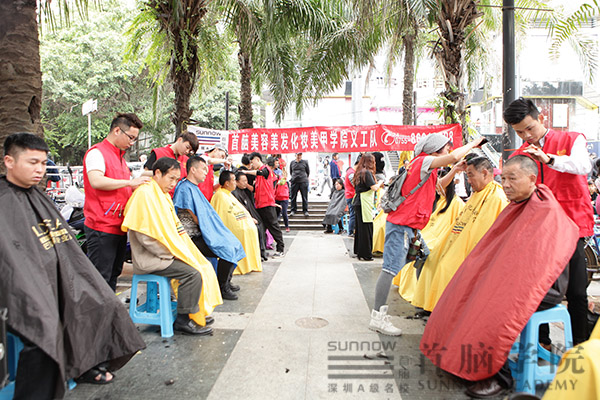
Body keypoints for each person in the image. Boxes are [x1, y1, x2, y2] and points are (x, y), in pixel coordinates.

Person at [1, 133, 145, 398]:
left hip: (54, 278)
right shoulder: (4, 201)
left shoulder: (39, 198)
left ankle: (86, 364)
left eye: (44, 164)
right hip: (20, 289)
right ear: (9, 161)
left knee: (104, 301)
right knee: (45, 324)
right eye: (33, 162)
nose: (40, 170)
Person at [420, 155, 576, 398]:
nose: (506, 185)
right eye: (504, 179)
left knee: (492, 305)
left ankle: (499, 377)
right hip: (518, 277)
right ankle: (460, 359)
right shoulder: (518, 205)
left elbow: (541, 261)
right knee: (462, 289)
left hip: (545, 286)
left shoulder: (544, 208)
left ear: (532, 179)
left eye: (512, 179)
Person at [369, 134, 485, 336]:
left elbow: (440, 186)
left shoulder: (424, 168)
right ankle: (377, 317)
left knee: (423, 256)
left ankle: (423, 299)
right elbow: (453, 156)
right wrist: (474, 144)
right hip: (402, 227)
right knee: (389, 269)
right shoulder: (424, 161)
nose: (448, 151)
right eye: (445, 148)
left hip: (410, 228)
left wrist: (456, 170)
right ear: (435, 150)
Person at [505, 97, 594, 345]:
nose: (526, 135)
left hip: (573, 225)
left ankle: (580, 344)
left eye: (529, 128)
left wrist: (549, 159)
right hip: (539, 231)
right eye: (519, 132)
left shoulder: (572, 139)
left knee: (577, 291)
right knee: (538, 288)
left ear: (541, 118)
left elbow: (582, 166)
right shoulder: (522, 153)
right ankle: (541, 340)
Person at [122, 157, 222, 334]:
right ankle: (183, 320)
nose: (173, 184)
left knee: (203, 265)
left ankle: (195, 310)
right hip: (153, 257)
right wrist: (170, 254)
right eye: (171, 178)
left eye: (176, 179)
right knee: (193, 274)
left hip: (166, 253)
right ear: (158, 173)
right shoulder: (145, 194)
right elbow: (145, 237)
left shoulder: (161, 195)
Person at [411, 155, 508, 312]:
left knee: (444, 268)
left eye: (470, 175)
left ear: (484, 173)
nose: (468, 181)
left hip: (472, 253)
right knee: (430, 260)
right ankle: (430, 305)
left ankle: (443, 310)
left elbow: (482, 234)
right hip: (456, 243)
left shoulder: (496, 198)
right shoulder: (478, 194)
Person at [83, 113, 151, 291]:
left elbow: (124, 188)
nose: (132, 142)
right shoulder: (97, 153)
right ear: (116, 130)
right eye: (131, 137)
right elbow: (96, 181)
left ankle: (109, 315)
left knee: (114, 272)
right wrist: (130, 182)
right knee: (101, 277)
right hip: (101, 226)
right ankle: (96, 317)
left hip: (119, 225)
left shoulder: (120, 159)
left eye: (135, 139)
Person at [173, 156, 247, 301]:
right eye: (204, 169)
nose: (206, 173)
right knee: (227, 248)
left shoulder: (193, 188)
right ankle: (222, 287)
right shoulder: (184, 188)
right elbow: (195, 216)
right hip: (190, 238)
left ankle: (226, 281)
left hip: (202, 232)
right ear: (193, 170)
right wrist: (213, 232)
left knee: (234, 243)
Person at [211, 171, 263, 276]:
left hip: (243, 223)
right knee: (243, 231)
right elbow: (224, 216)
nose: (235, 182)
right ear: (227, 183)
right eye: (234, 180)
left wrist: (249, 219)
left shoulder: (229, 195)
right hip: (232, 228)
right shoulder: (220, 196)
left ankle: (250, 264)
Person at [241, 152, 285, 257]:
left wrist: (246, 172)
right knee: (262, 227)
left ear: (257, 159)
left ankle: (281, 248)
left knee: (273, 226)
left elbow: (260, 172)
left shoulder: (266, 170)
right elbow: (254, 189)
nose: (252, 165)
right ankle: (262, 249)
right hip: (260, 204)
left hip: (267, 204)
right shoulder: (259, 176)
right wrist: (244, 184)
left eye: (252, 162)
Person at [352, 153, 384, 261]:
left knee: (360, 229)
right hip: (364, 202)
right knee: (367, 228)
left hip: (358, 201)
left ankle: (359, 251)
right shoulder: (367, 172)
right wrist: (380, 183)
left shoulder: (358, 172)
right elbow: (374, 188)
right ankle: (366, 254)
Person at [233, 172, 269, 261]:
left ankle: (262, 251)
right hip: (243, 219)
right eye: (243, 181)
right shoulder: (235, 193)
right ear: (237, 182)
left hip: (251, 216)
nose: (246, 183)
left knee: (261, 225)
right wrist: (249, 218)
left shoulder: (244, 191)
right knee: (257, 228)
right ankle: (258, 253)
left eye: (246, 180)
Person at [288, 152, 310, 216]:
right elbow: (291, 172)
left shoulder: (305, 162)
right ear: (295, 155)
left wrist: (304, 177)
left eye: (300, 155)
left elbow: (308, 172)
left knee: (304, 197)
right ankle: (293, 210)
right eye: (298, 155)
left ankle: (305, 210)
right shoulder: (292, 162)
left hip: (303, 181)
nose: (299, 156)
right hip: (294, 181)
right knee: (293, 196)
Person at [274, 159, 290, 232]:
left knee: (284, 213)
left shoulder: (283, 178)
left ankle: (287, 226)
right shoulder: (275, 176)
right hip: (277, 196)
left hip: (284, 197)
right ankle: (277, 227)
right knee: (277, 213)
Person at [344, 157, 359, 236]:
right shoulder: (351, 173)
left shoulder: (350, 172)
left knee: (353, 214)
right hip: (351, 195)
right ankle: (350, 232)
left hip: (350, 195)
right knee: (353, 214)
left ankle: (351, 231)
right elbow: (355, 184)